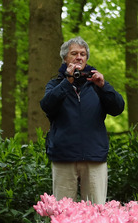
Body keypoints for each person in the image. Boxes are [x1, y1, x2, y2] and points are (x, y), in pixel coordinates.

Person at [40, 37, 125, 204]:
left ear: (87, 59)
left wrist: (104, 86)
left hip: (94, 157)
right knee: (63, 212)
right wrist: (67, 81)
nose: (79, 57)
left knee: (96, 212)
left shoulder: (97, 85)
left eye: (83, 54)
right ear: (65, 58)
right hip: (63, 157)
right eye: (74, 53)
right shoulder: (55, 84)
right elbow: (47, 106)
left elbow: (118, 108)